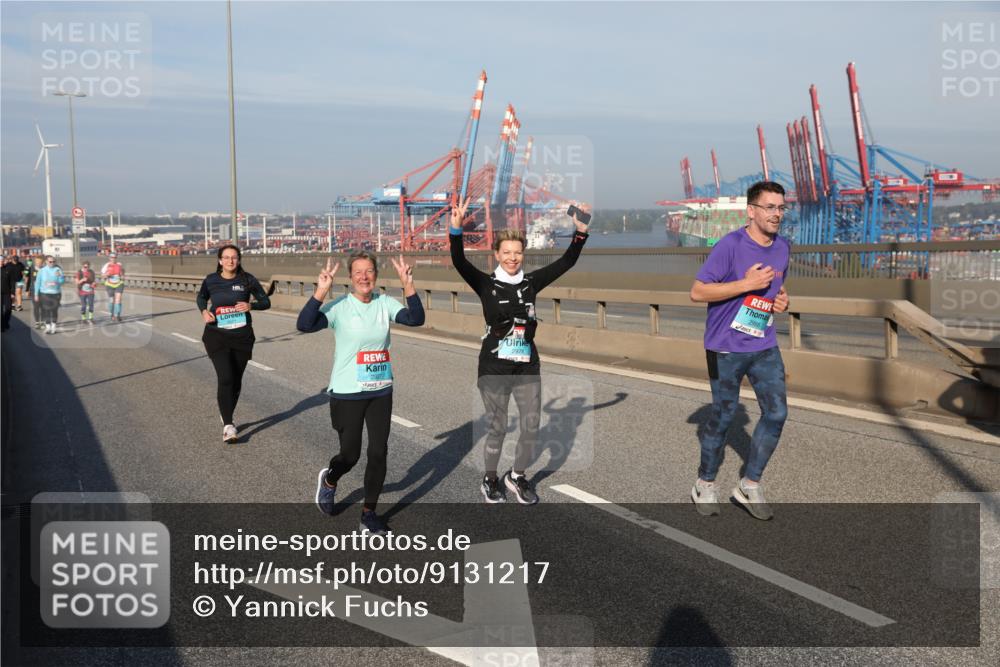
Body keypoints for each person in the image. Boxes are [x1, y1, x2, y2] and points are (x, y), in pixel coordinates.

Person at [450, 198, 590, 505]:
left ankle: (517, 475)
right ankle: (490, 479)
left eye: (518, 252)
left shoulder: (531, 283)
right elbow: (459, 261)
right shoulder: (485, 284)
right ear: (497, 255)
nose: (513, 257)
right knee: (498, 427)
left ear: (523, 254)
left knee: (531, 424)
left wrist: (579, 232)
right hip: (494, 366)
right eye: (507, 253)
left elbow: (566, 262)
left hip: (527, 364)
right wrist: (456, 229)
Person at [298, 252, 424, 536]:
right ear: (351, 277)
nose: (364, 277)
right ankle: (330, 480)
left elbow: (415, 318)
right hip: (346, 392)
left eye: (369, 271)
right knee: (350, 455)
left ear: (376, 275)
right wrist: (320, 291)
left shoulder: (385, 303)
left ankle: (369, 514)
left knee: (378, 452)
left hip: (380, 390)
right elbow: (305, 325)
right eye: (358, 272)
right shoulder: (340, 306)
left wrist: (408, 285)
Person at [689, 180, 791, 521]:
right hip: (726, 348)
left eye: (781, 208)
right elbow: (698, 292)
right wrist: (746, 284)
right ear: (751, 211)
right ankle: (704, 483)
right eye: (770, 207)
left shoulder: (782, 248)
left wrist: (781, 300)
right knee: (723, 417)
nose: (777, 214)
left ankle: (749, 484)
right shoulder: (729, 246)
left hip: (763, 343)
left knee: (776, 414)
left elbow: (776, 287)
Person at [196, 245, 271, 443]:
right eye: (226, 258)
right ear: (220, 261)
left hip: (242, 337)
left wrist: (251, 305)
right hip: (216, 336)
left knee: (236, 380)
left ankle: (226, 411)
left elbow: (266, 302)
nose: (230, 261)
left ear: (238, 260)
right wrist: (204, 311)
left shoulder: (247, 280)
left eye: (234, 258)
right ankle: (228, 425)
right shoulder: (211, 280)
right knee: (226, 377)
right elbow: (201, 297)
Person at [34, 255, 65, 334]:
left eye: (54, 261)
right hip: (44, 293)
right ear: (46, 262)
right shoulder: (42, 271)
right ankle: (48, 327)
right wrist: (36, 294)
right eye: (50, 262)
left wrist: (60, 277)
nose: (52, 263)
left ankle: (53, 326)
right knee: (47, 310)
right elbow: (37, 283)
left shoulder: (58, 269)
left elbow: (62, 282)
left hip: (56, 293)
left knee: (54, 310)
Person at [101, 251, 125, 322]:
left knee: (118, 300)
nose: (113, 259)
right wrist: (106, 275)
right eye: (112, 257)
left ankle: (117, 315)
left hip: (119, 283)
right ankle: (112, 314)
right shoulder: (106, 265)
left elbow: (122, 274)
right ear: (109, 258)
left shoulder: (119, 265)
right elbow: (102, 275)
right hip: (109, 284)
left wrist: (122, 276)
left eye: (114, 257)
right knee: (112, 300)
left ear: (116, 258)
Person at [24, 256, 43, 329]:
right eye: (37, 262)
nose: (39, 263)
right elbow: (27, 279)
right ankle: (37, 322)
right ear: (35, 262)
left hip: (43, 291)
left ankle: (43, 321)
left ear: (42, 263)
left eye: (40, 262)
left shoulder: (44, 269)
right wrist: (27, 290)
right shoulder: (30, 268)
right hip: (34, 290)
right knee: (36, 306)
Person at [1, 256, 18, 332]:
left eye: (2, 260)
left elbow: (12, 282)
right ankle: (2, 326)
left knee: (8, 309)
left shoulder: (8, 269)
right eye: (0, 261)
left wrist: (12, 292)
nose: (1, 262)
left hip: (7, 293)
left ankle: (5, 322)